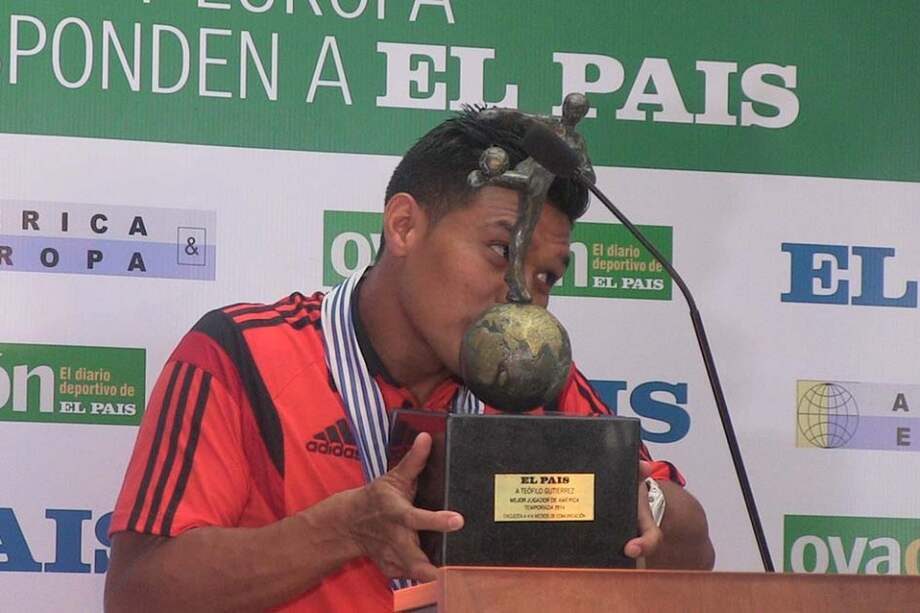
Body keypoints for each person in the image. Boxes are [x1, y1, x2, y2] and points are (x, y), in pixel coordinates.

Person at [104, 108, 715, 612]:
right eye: (502, 252)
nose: (522, 298)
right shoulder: (240, 354)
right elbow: (139, 593)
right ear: (403, 226)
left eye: (546, 275)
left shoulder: (531, 380)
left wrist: (640, 506)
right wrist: (343, 530)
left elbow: (694, 548)